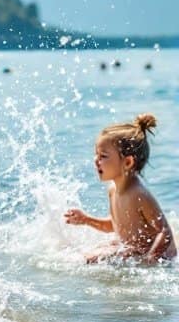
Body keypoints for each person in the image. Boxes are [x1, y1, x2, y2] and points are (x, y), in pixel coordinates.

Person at [64, 113, 176, 263]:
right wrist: (86, 219)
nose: (96, 160)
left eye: (103, 156)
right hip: (132, 248)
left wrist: (150, 260)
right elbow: (117, 225)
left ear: (128, 162)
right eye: (96, 154)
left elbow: (164, 232)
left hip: (161, 257)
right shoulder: (113, 190)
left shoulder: (138, 194)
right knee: (83, 253)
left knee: (92, 259)